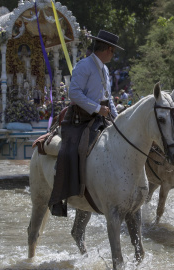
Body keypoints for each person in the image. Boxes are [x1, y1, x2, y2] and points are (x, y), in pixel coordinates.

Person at [48, 30, 122, 216]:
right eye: (113, 52)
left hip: (102, 117)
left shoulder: (104, 69)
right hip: (79, 119)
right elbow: (74, 93)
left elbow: (108, 98)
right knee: (70, 151)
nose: (113, 55)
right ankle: (61, 197)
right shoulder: (84, 65)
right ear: (109, 49)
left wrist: (117, 118)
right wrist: (97, 108)